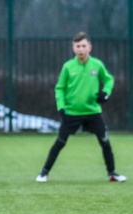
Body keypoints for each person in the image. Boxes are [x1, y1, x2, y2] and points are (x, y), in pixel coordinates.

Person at [35, 32, 126, 183]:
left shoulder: (97, 65)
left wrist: (105, 93)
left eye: (83, 46)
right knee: (59, 143)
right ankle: (44, 173)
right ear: (73, 48)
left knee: (105, 142)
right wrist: (61, 107)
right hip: (71, 113)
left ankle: (112, 174)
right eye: (78, 46)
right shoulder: (68, 67)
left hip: (93, 111)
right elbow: (59, 88)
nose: (81, 49)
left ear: (89, 47)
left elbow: (109, 79)